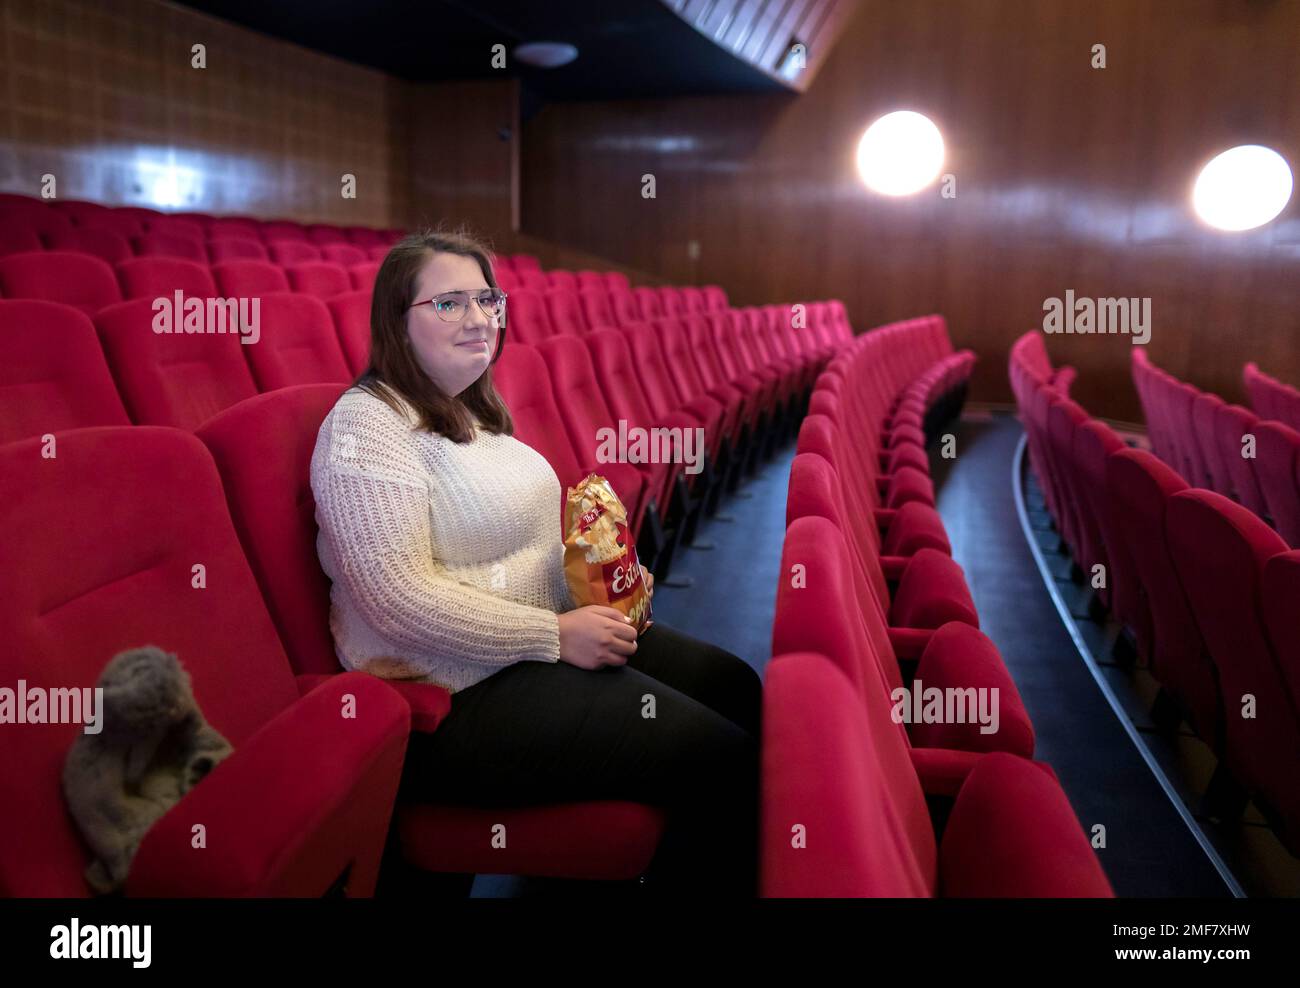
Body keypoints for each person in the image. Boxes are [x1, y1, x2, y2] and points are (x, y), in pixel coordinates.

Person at [309, 229, 761, 895]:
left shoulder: (473, 413)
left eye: (487, 300)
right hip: (454, 696)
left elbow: (528, 549)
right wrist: (553, 635)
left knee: (735, 686)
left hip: (533, 648)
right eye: (448, 304)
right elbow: (394, 598)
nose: (478, 318)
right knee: (720, 759)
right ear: (396, 324)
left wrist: (608, 584)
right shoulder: (365, 429)